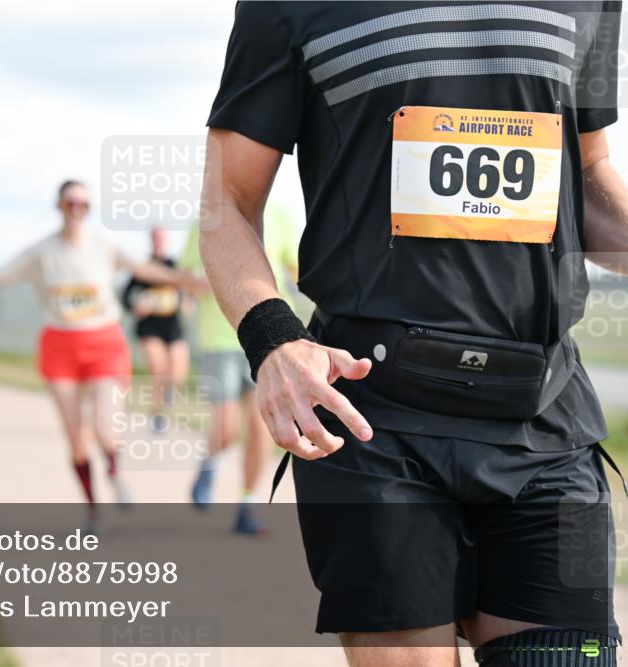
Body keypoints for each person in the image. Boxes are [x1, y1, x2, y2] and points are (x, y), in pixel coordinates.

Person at [200, 2, 625, 666]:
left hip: (544, 419)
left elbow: (589, 176)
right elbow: (226, 201)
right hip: (374, 421)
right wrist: (273, 340)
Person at [0, 180, 202, 533]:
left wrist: (189, 282)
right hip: (60, 347)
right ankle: (93, 509)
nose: (77, 210)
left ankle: (114, 471)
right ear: (59, 206)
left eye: (84, 205)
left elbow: (145, 271)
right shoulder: (42, 252)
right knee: (76, 438)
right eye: (70, 203)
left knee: (105, 427)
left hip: (104, 343)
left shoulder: (104, 245)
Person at [180, 203, 299, 535]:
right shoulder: (206, 218)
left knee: (262, 426)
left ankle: (248, 504)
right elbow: (184, 277)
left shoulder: (279, 217)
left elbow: (297, 270)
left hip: (268, 337)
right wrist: (215, 284)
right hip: (220, 338)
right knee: (228, 427)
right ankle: (209, 464)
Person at [121, 226, 189, 431]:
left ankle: (167, 398)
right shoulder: (143, 268)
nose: (158, 241)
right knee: (159, 369)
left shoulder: (175, 266)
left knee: (178, 372)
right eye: (155, 238)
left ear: (166, 240)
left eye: (161, 238)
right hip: (149, 327)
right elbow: (126, 297)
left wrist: (187, 301)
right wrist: (136, 305)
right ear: (151, 240)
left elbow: (188, 290)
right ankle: (157, 415)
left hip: (173, 326)